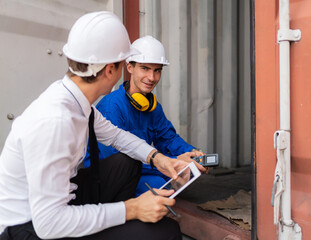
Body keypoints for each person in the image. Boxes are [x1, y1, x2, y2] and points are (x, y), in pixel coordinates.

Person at [0, 11, 186, 240]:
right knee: (166, 233)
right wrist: (132, 209)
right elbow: (49, 224)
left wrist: (157, 158)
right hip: (29, 229)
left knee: (127, 163)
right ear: (110, 70)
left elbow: (117, 137)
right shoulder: (55, 122)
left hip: (58, 203)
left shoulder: (77, 101)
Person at [84, 35, 206, 196]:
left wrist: (192, 154)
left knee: (188, 170)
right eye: (145, 68)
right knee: (160, 183)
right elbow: (116, 160)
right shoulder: (111, 107)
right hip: (109, 173)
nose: (152, 78)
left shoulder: (152, 107)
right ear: (129, 67)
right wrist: (172, 163)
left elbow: (168, 138)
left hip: (144, 165)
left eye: (157, 70)